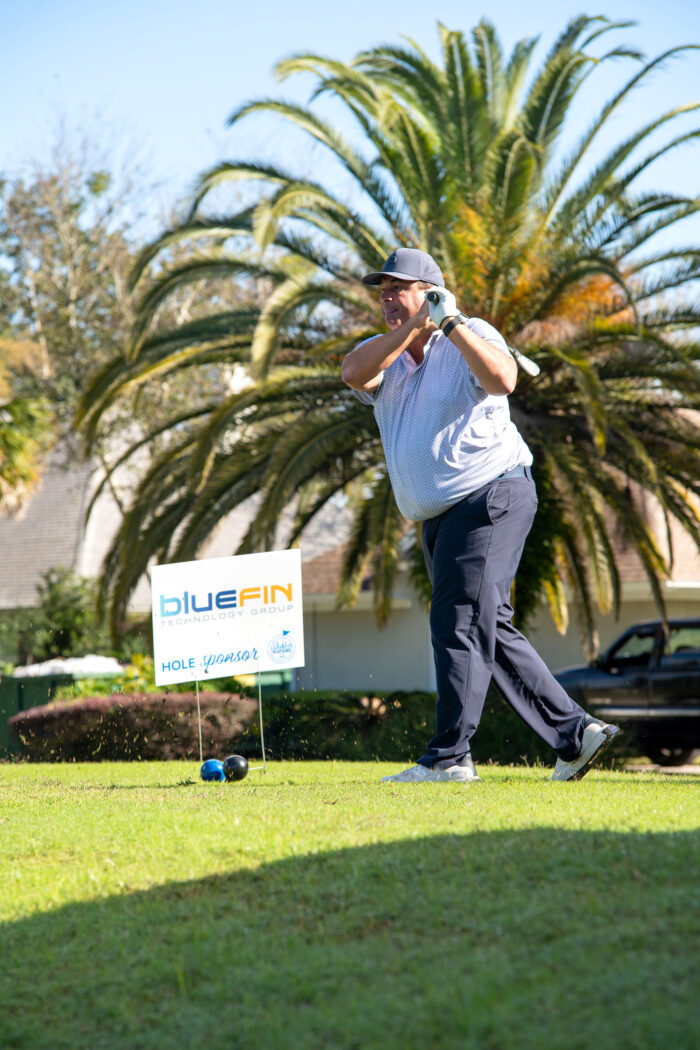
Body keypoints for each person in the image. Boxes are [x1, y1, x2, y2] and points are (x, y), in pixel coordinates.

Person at [342, 248, 619, 783]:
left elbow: (502, 379)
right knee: (485, 624)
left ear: (429, 289)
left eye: (397, 288)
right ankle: (575, 735)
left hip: (492, 496)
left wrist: (449, 324)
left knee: (457, 621)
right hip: (440, 515)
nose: (386, 299)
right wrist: (415, 326)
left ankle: (449, 759)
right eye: (382, 291)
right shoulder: (385, 357)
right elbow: (354, 373)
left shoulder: (471, 334)